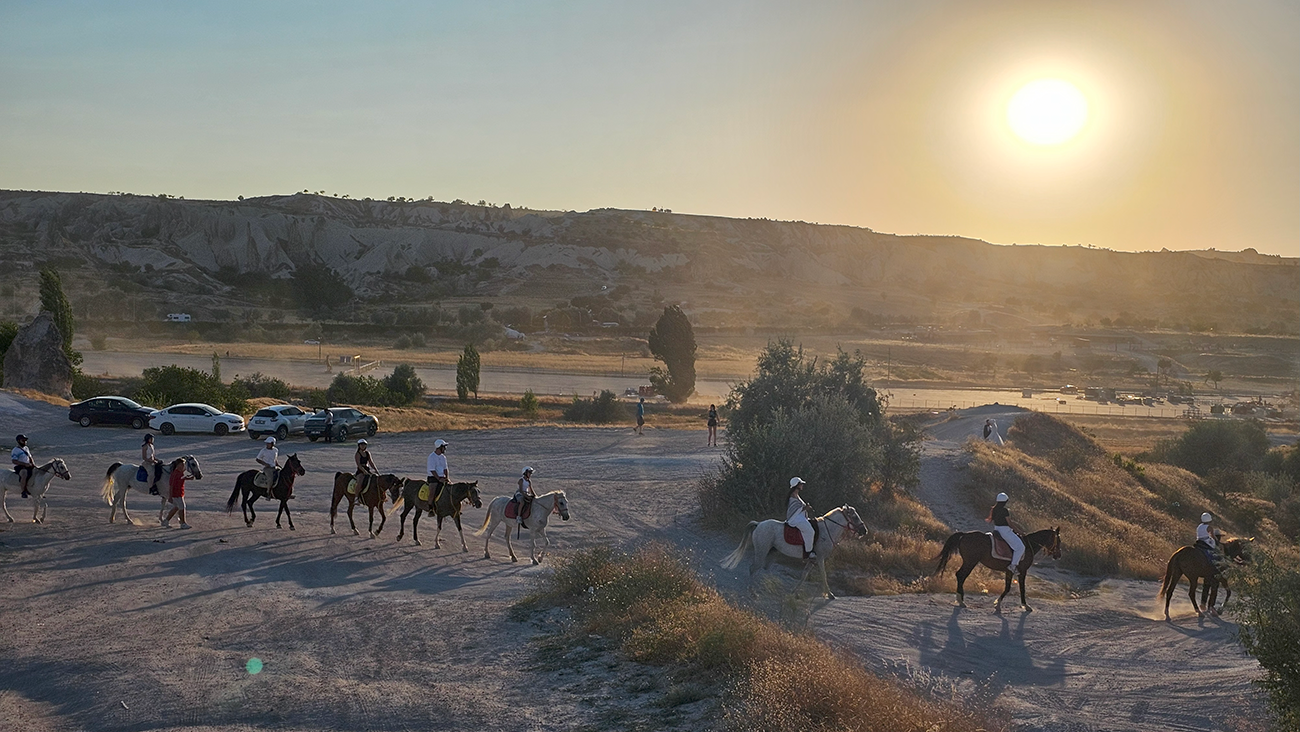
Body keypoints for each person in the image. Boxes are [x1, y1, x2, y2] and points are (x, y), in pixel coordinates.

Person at [987, 492, 1025, 573]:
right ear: (1005, 502)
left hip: (996, 529)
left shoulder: (994, 509)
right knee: (1020, 548)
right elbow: (1009, 523)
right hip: (1005, 531)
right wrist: (1018, 531)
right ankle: (1013, 566)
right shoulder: (1004, 510)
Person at [786, 478, 815, 559]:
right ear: (797, 485)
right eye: (801, 484)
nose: (802, 485)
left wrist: (805, 508)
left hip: (799, 516)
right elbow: (795, 509)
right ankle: (809, 552)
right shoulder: (793, 495)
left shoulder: (796, 494)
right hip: (795, 518)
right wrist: (805, 508)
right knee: (810, 531)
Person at [161, 457, 191, 529]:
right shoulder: (175, 474)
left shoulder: (180, 473)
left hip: (180, 492)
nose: (183, 466)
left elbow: (183, 478)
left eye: (183, 465)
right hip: (176, 494)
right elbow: (171, 485)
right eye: (181, 465)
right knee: (182, 507)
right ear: (177, 465)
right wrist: (170, 496)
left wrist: (190, 478)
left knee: (177, 507)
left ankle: (166, 521)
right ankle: (183, 523)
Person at [11, 434, 35, 499]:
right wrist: (24, 464)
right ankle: (23, 491)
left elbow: (30, 457)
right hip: (20, 467)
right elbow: (14, 461)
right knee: (24, 474)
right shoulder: (15, 450)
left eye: (25, 440)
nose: (24, 442)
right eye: (23, 440)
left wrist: (33, 464)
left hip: (28, 465)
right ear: (18, 441)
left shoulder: (26, 448)